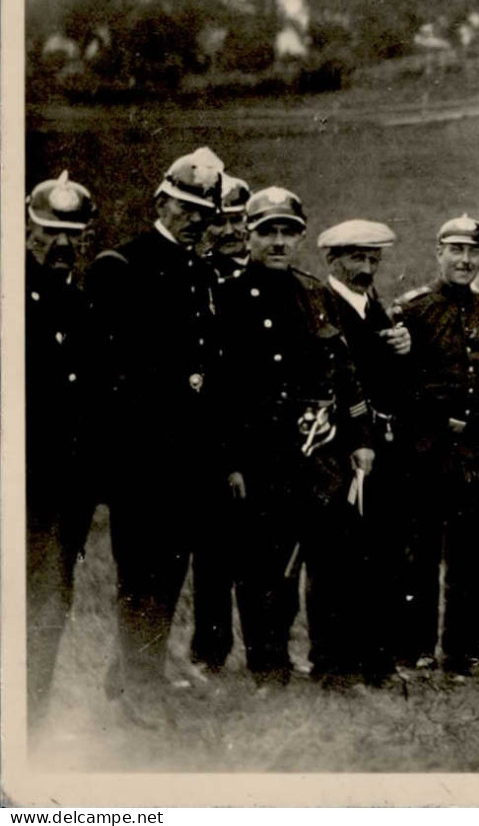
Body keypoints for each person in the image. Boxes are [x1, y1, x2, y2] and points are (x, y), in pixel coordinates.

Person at [214, 188, 376, 692]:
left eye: (288, 232)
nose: (279, 242)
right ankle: (268, 667)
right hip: (265, 456)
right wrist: (232, 461)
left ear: (302, 236)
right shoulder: (230, 296)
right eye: (268, 232)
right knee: (265, 572)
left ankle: (334, 666)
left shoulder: (316, 293)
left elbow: (345, 372)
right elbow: (220, 389)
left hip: (323, 455)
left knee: (334, 567)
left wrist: (361, 436)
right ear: (249, 234)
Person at [86, 147, 225, 724]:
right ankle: (140, 689)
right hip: (140, 453)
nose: (195, 219)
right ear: (160, 202)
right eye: (186, 206)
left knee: (168, 571)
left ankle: (133, 677)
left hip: (184, 454)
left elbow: (205, 362)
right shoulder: (124, 265)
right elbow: (109, 370)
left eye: (205, 212)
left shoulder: (200, 271)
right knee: (139, 573)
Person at [393, 215, 479, 677]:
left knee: (477, 554)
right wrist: (435, 417)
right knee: (419, 555)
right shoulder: (413, 310)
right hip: (426, 450)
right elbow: (398, 387)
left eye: (473, 253)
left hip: (477, 453)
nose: (465, 261)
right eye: (456, 251)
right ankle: (415, 647)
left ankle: (462, 650)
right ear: (438, 252)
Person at [317, 218, 415, 686]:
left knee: (382, 555)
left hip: (382, 449)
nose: (366, 267)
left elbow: (393, 380)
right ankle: (334, 664)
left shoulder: (377, 308)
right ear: (332, 260)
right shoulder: (322, 306)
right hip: (339, 450)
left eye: (373, 258)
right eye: (357, 257)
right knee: (339, 560)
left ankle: (376, 660)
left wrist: (404, 347)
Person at [24, 172, 99, 732]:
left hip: (64, 487)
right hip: (19, 482)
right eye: (48, 232)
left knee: (51, 601)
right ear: (28, 231)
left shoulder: (80, 304)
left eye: (73, 233)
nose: (62, 245)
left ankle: (33, 708)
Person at [188, 170, 254, 677]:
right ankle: (210, 654)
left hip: (260, 432)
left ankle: (265, 653)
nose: (231, 230)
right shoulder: (199, 274)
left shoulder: (267, 276)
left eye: (239, 220)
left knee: (260, 553)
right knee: (212, 555)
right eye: (221, 221)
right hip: (210, 427)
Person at [197, 173, 251, 281]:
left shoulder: (269, 264)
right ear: (204, 228)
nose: (229, 231)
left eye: (236, 220)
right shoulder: (199, 273)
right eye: (218, 222)